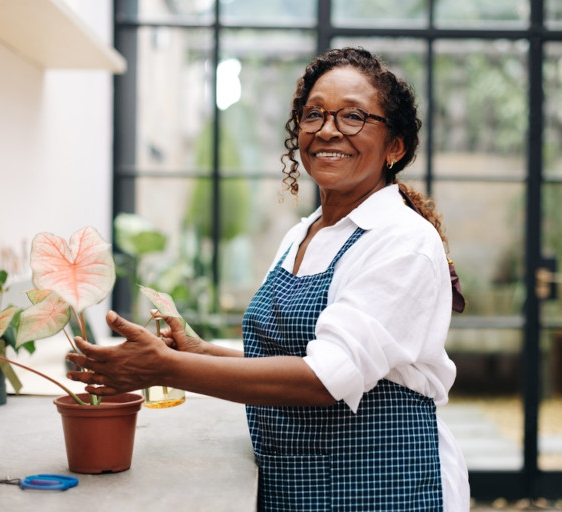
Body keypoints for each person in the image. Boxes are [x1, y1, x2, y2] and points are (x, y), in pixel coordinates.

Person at [67, 47, 470, 511]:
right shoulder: (304, 233)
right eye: (314, 114)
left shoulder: (402, 241)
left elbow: (323, 378)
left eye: (354, 116)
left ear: (394, 147)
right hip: (296, 481)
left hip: (380, 486)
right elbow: (292, 356)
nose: (328, 129)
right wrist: (200, 352)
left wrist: (165, 368)